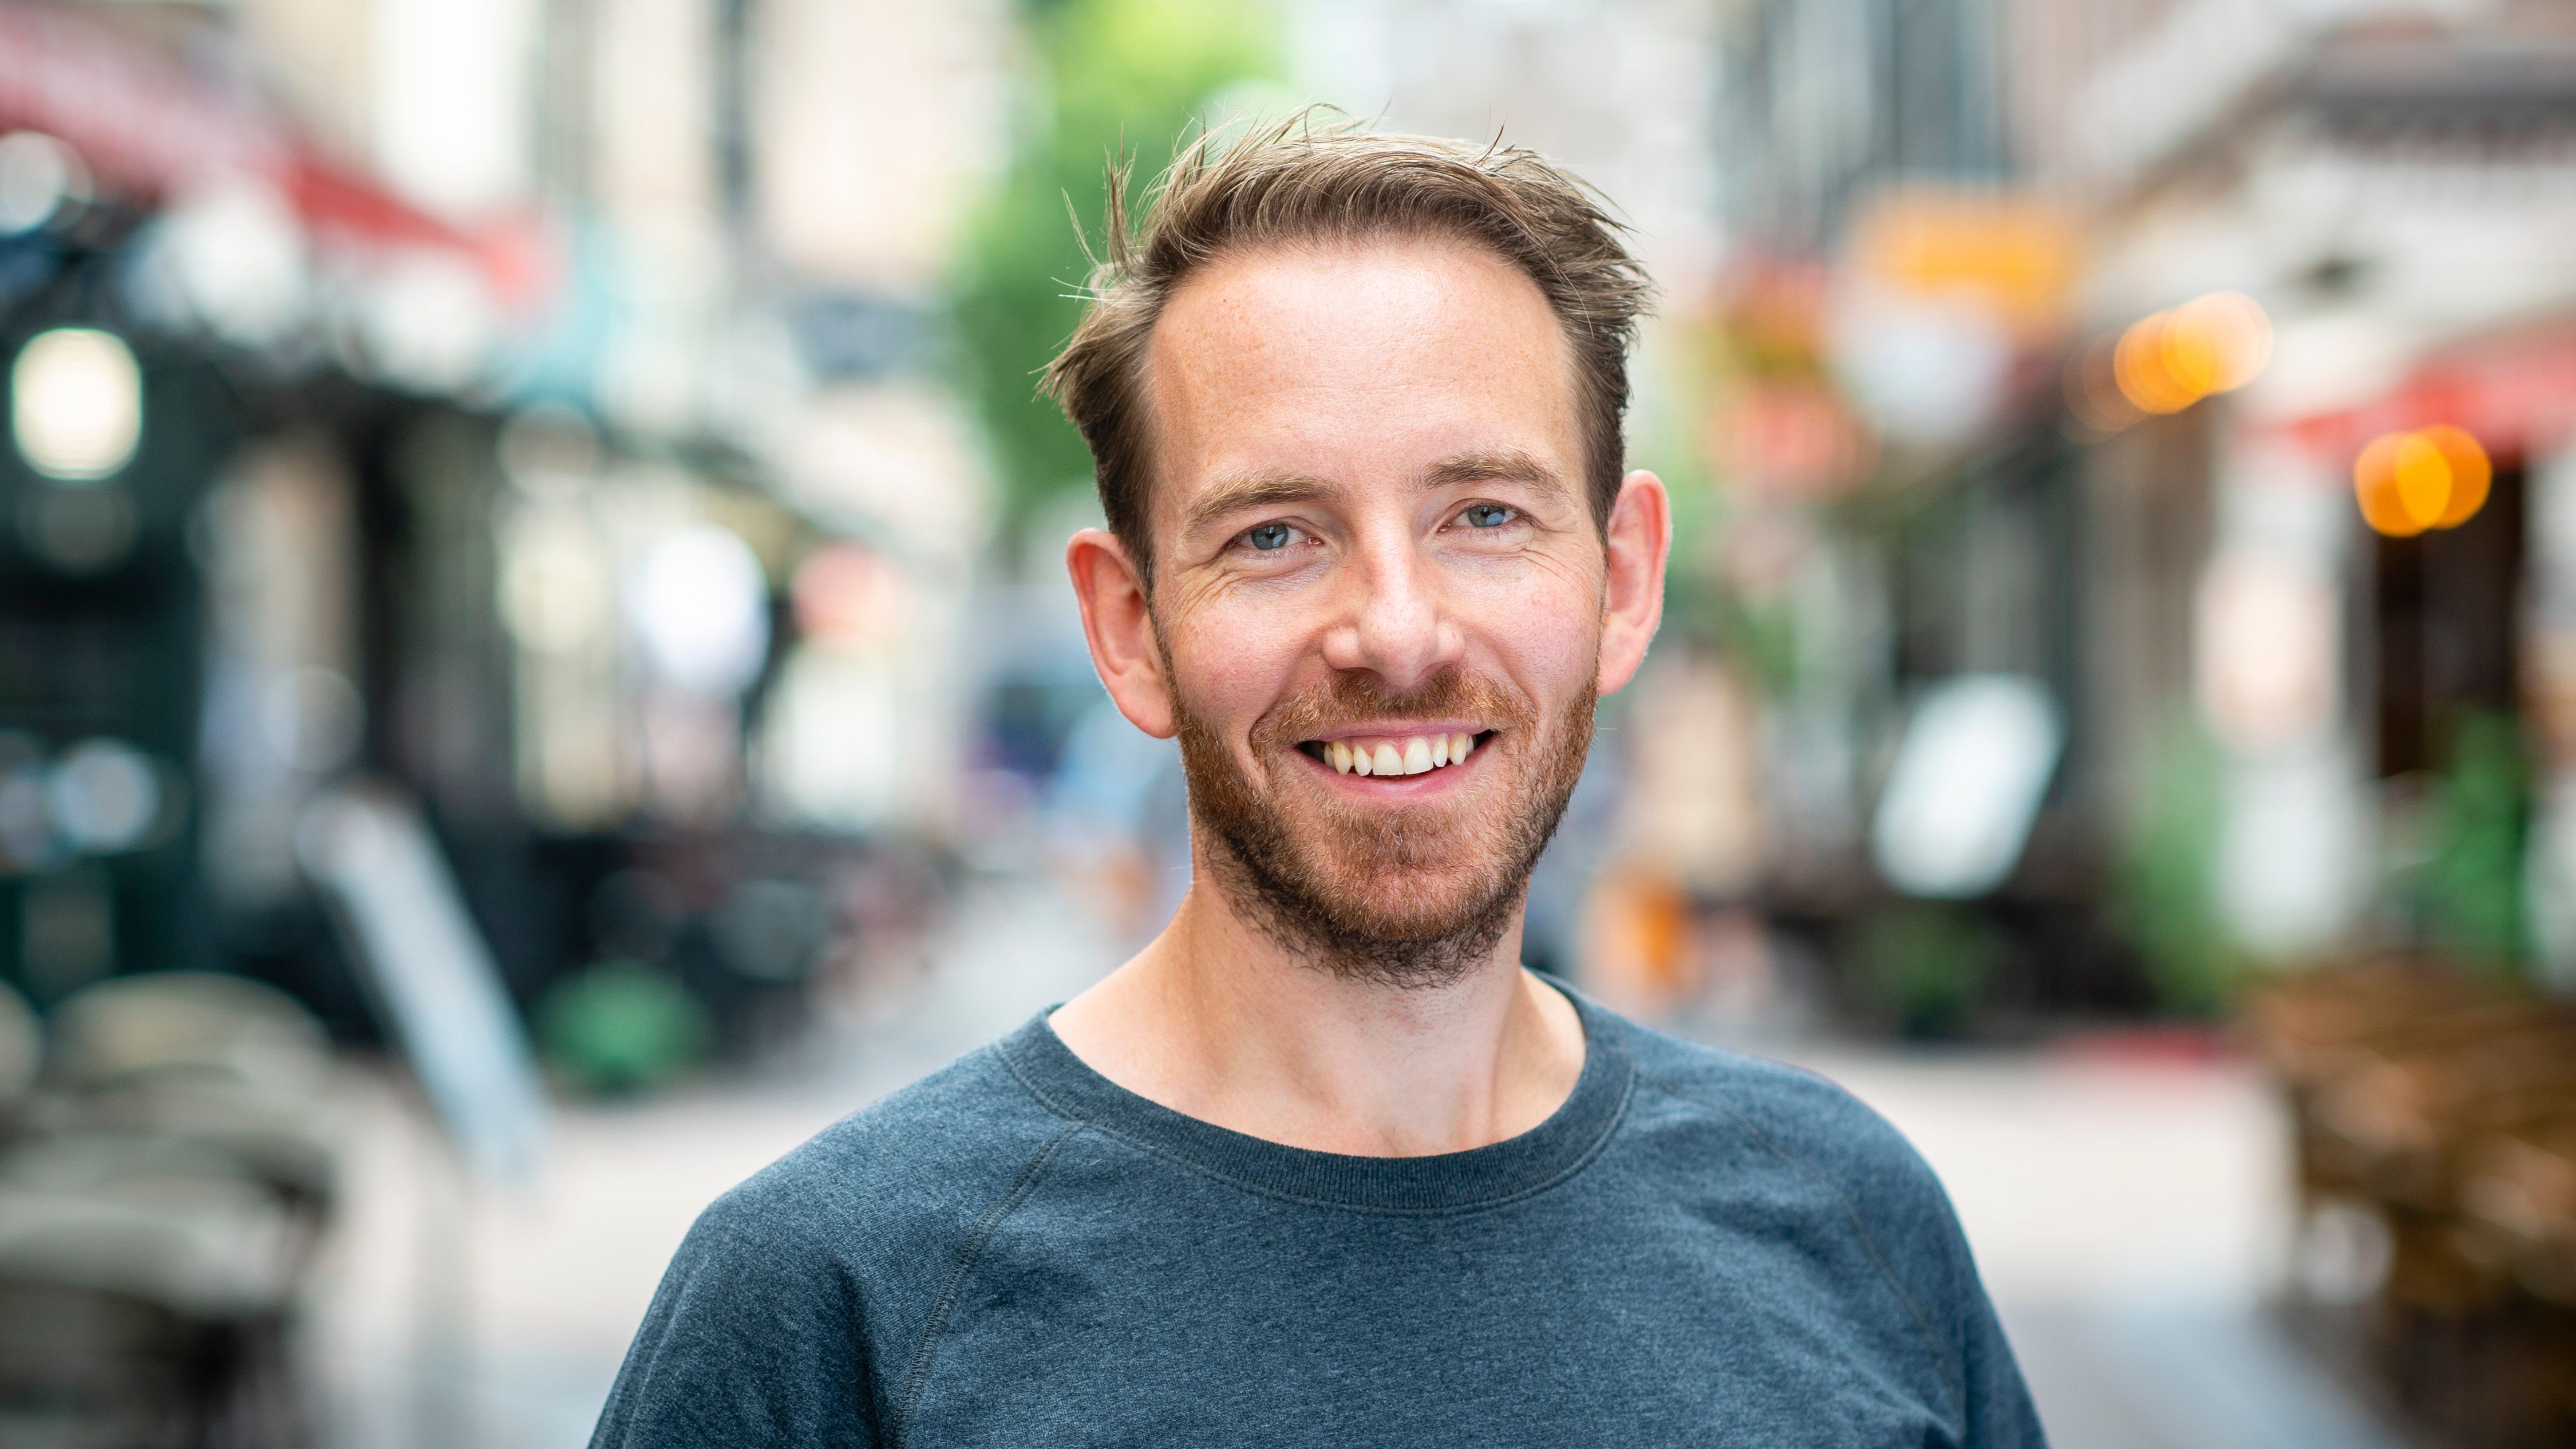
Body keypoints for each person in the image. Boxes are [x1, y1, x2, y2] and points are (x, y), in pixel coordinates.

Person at [591, 118, 2044, 1448]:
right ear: (1129, 628)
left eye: (1484, 514)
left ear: (1621, 582)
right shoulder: (834, 1305)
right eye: (1277, 536)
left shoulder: (1851, 1223)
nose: (1397, 632)